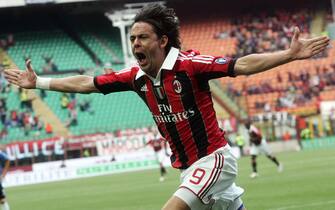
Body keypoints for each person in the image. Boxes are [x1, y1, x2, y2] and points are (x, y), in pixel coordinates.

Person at [3, 3, 330, 210]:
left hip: (214, 159)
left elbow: (241, 65)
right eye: (132, 39)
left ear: (162, 41)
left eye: (142, 38)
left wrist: (288, 55)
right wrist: (40, 82)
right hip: (188, 169)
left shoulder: (190, 65)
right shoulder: (136, 77)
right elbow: (87, 83)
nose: (135, 45)